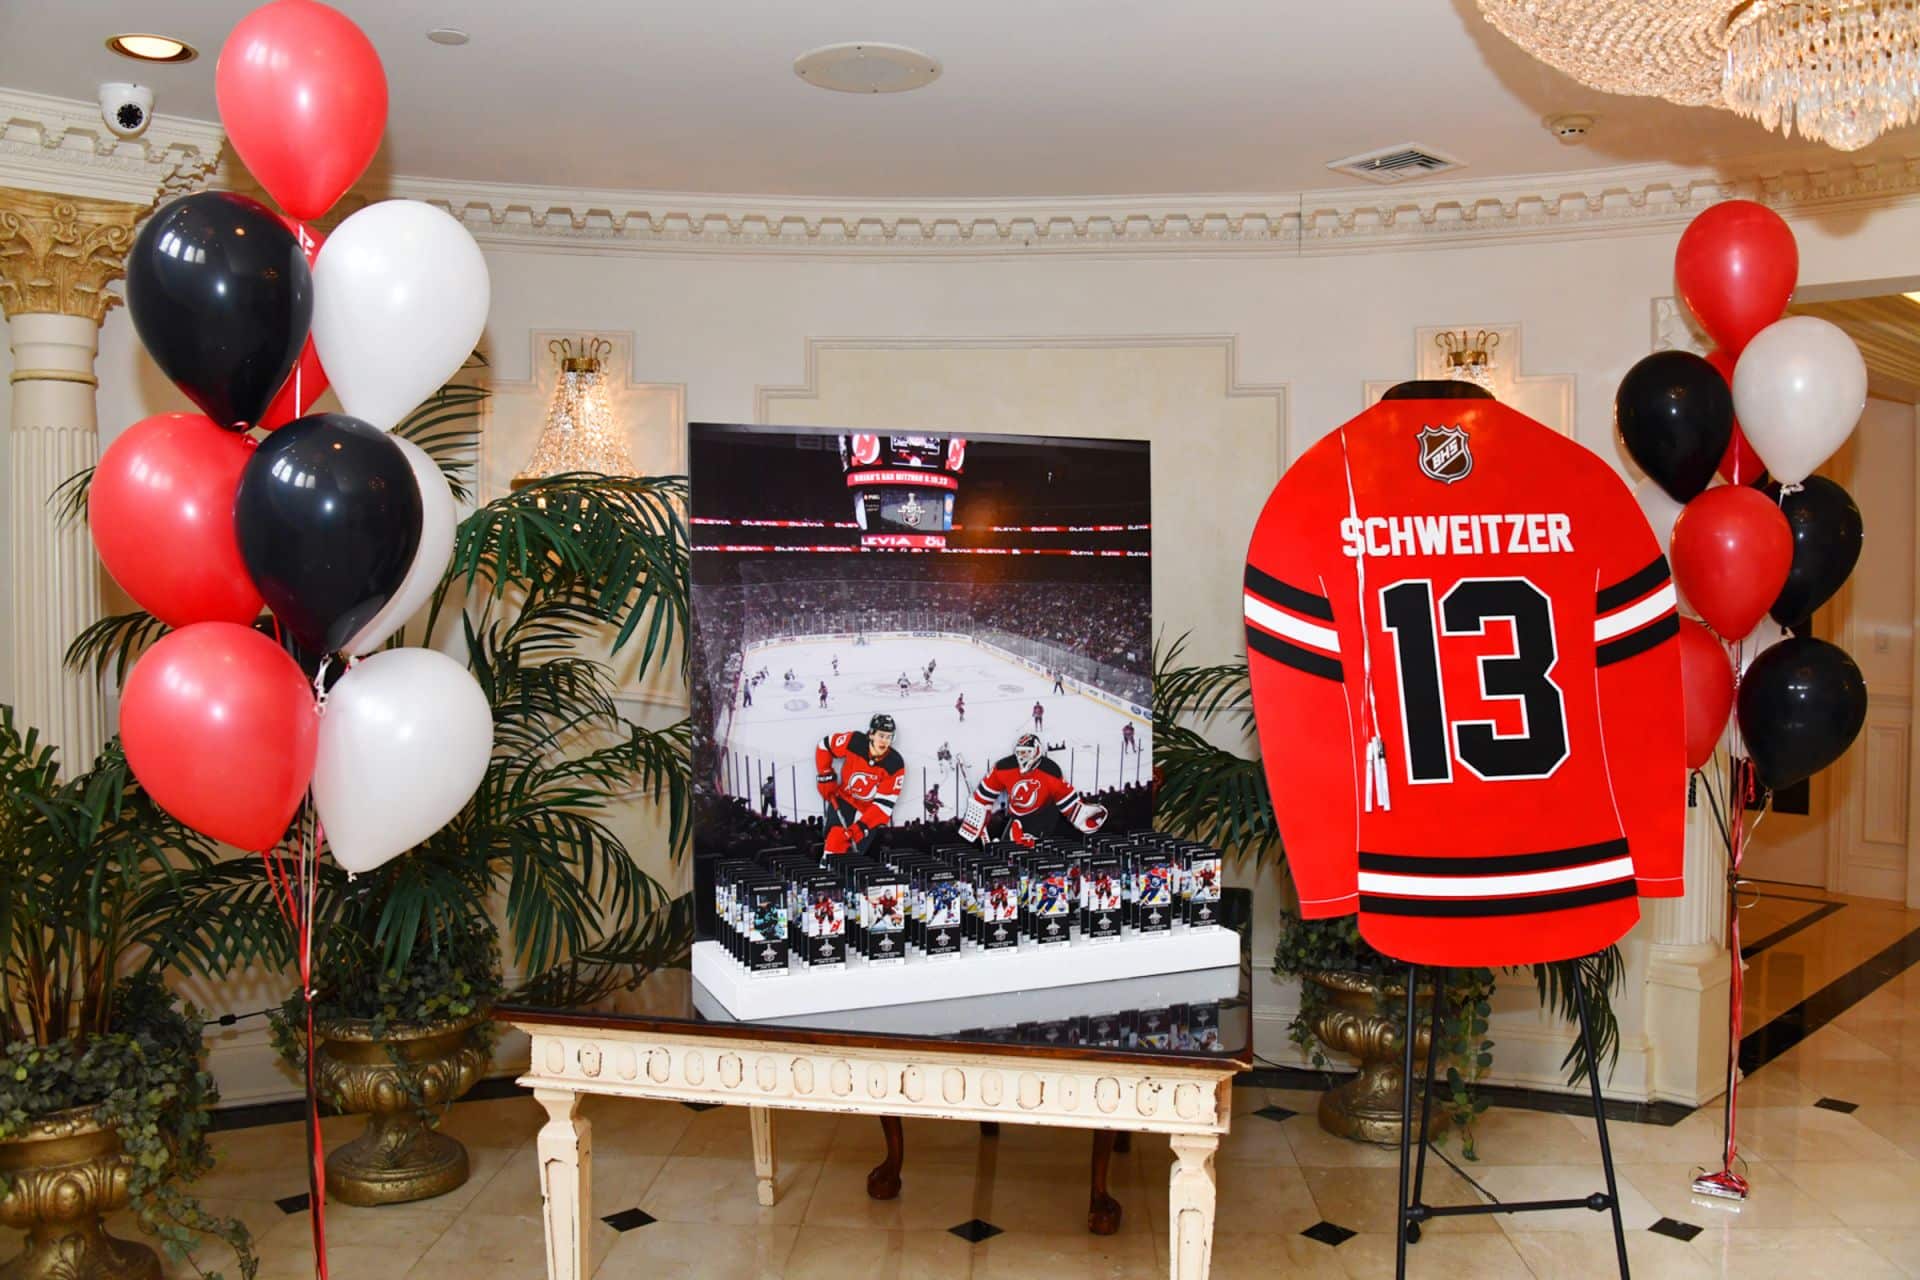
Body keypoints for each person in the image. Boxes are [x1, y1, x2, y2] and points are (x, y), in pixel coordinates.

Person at [958, 733, 1107, 847]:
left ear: (1036, 751)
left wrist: (1081, 816)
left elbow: (1067, 801)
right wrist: (979, 814)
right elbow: (984, 795)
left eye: (1026, 752)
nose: (1022, 756)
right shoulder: (1004, 767)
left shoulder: (1051, 771)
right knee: (1007, 850)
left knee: (1027, 850)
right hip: (1016, 817)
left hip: (1042, 817)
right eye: (1019, 752)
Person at [815, 713, 905, 856]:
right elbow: (824, 746)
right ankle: (825, 872)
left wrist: (859, 829)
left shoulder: (895, 764)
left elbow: (882, 807)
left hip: (868, 812)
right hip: (844, 800)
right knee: (833, 844)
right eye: (881, 735)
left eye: (889, 737)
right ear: (871, 734)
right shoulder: (854, 741)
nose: (885, 741)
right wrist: (825, 775)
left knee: (852, 858)